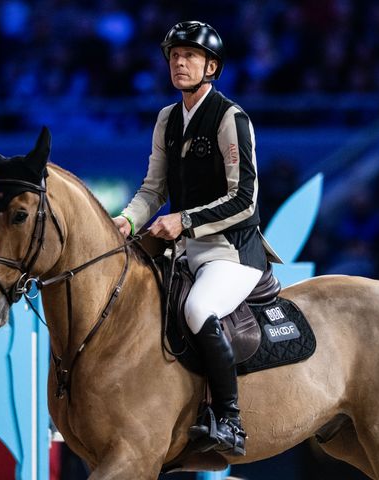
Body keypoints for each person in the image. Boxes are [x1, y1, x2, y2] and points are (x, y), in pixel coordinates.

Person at [112, 21, 281, 456]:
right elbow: (153, 190)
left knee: (197, 306)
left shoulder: (230, 117)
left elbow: (244, 199)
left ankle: (228, 419)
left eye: (189, 56)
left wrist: (184, 221)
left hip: (234, 253)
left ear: (211, 66)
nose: (179, 62)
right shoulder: (168, 119)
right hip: (186, 250)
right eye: (174, 56)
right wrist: (126, 222)